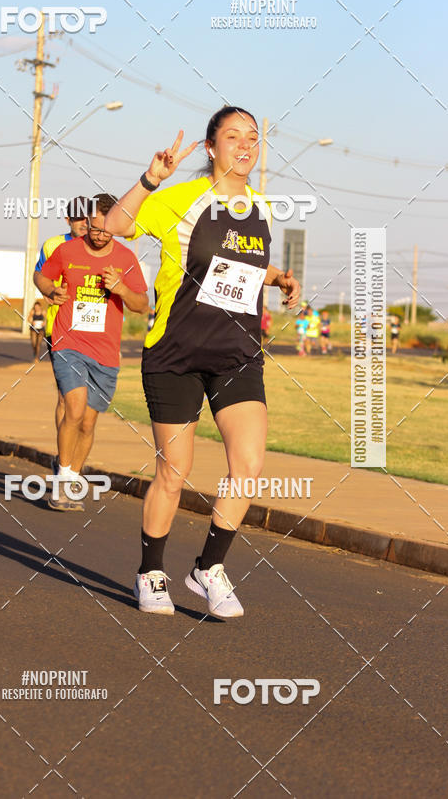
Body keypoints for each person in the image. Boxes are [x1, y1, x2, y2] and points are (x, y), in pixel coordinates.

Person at [104, 106, 300, 619]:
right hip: (176, 352)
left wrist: (277, 278)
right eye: (232, 136)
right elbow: (117, 224)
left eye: (252, 137)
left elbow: (240, 264)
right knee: (175, 470)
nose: (244, 145)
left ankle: (208, 568)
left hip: (237, 354)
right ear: (211, 148)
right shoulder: (181, 199)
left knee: (249, 465)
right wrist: (152, 178)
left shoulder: (262, 207)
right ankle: (150, 573)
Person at [35, 193, 148, 511]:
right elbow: (41, 274)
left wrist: (122, 289)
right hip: (68, 343)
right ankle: (61, 484)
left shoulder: (125, 258)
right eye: (94, 228)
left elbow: (142, 305)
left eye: (105, 230)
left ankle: (70, 474)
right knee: (74, 408)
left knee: (88, 422)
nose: (98, 235)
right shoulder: (67, 250)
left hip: (106, 352)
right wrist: (49, 290)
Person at [33, 199, 89, 471]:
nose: (83, 223)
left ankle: (71, 462)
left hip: (94, 334)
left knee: (87, 408)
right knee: (65, 398)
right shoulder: (54, 245)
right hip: (61, 329)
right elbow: (39, 275)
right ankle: (63, 457)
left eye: (87, 218)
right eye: (78, 218)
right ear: (68, 220)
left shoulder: (100, 245)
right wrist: (49, 292)